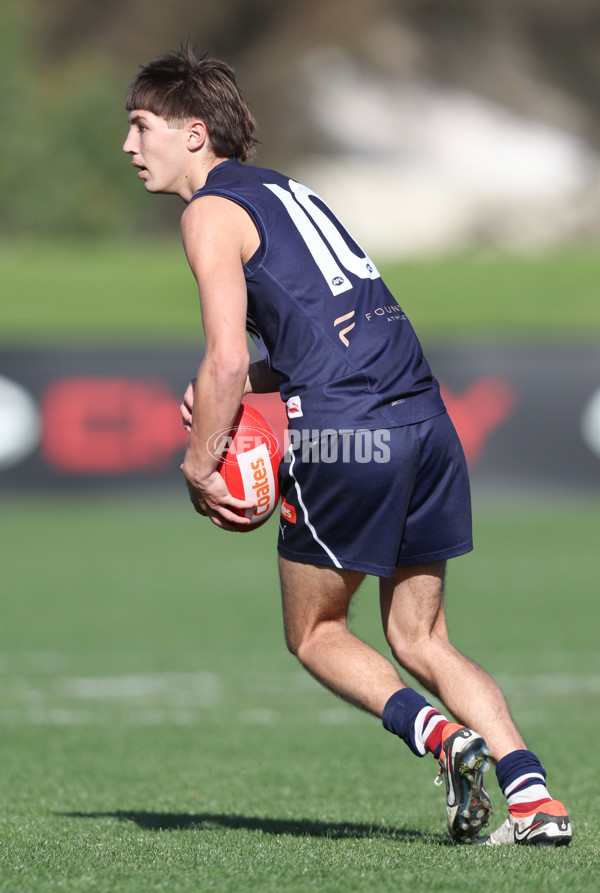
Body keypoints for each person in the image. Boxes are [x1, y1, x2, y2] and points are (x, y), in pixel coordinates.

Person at [123, 44, 571, 846]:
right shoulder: (291, 191)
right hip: (427, 420)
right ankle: (535, 798)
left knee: (316, 633)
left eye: (141, 125)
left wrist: (198, 464)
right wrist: (257, 384)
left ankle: (440, 738)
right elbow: (319, 328)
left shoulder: (207, 212)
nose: (129, 145)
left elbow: (224, 356)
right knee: (421, 636)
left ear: (194, 133)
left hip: (346, 429)